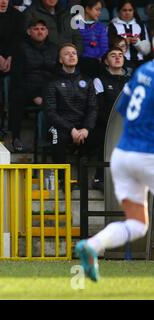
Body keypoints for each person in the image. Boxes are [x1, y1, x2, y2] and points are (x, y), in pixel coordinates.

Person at [75, 57, 154, 282]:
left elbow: (121, 108)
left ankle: (91, 245)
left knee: (138, 224)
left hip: (122, 154)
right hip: (146, 154)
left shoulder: (142, 72)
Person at [44, 44, 99, 181]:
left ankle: (89, 181)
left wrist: (86, 128)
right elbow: (50, 112)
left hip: (82, 126)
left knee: (99, 138)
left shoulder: (87, 80)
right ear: (60, 60)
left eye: (74, 53)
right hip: (59, 125)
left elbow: (93, 107)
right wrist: (71, 129)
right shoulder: (52, 81)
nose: (71, 55)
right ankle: (62, 180)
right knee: (58, 139)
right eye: (67, 54)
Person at [9, 18, 58, 151]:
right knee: (16, 96)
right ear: (29, 31)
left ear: (47, 32)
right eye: (36, 29)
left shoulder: (54, 49)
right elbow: (17, 76)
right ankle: (16, 137)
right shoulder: (20, 48)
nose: (39, 31)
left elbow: (57, 74)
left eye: (42, 29)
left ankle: (55, 141)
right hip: (27, 86)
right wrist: (34, 96)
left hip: (48, 88)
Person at [92, 47, 130, 190]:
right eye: (113, 55)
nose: (117, 57)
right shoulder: (99, 80)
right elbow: (98, 108)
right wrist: (113, 124)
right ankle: (99, 178)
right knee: (106, 138)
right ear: (106, 61)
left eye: (120, 55)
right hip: (105, 124)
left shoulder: (131, 81)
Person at [108, 0, 151, 71]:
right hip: (120, 64)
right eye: (124, 10)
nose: (127, 13)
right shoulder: (112, 26)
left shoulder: (141, 25)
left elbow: (147, 51)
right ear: (119, 11)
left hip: (140, 63)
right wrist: (123, 43)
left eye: (130, 10)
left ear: (134, 11)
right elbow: (109, 48)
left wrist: (137, 43)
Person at [75, 0, 109, 78]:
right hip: (79, 62)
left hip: (96, 62)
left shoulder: (100, 26)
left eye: (100, 10)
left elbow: (104, 46)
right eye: (97, 9)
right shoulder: (76, 23)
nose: (99, 12)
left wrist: (101, 58)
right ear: (87, 9)